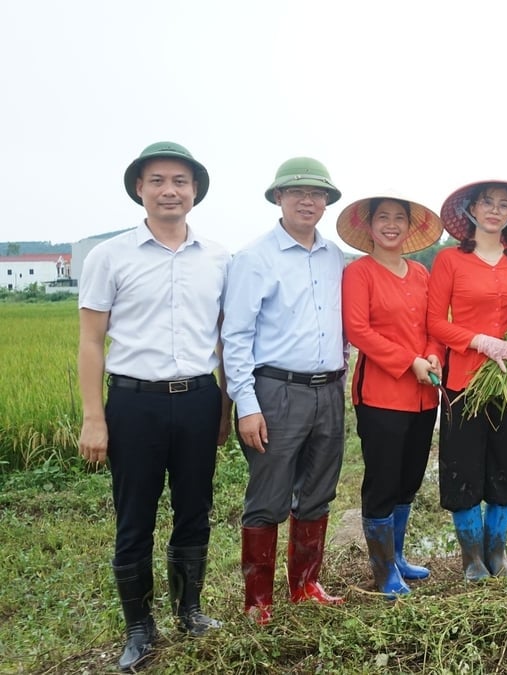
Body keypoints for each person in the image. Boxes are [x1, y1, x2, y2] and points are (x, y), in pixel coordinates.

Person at [77, 141, 228, 672]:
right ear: (139, 189)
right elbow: (91, 342)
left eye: (180, 181)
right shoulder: (109, 256)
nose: (170, 190)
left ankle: (190, 610)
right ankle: (139, 628)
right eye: (158, 180)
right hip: (133, 404)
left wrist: (225, 407)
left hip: (198, 400)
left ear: (195, 192)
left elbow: (225, 340)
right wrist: (94, 417)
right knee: (134, 518)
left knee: (195, 511)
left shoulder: (218, 258)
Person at [222, 157, 347, 624]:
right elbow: (235, 337)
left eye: (317, 194)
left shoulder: (334, 256)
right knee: (268, 497)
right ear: (278, 198)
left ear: (327, 202)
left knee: (318, 491)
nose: (308, 201)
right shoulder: (255, 258)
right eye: (297, 193)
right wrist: (246, 405)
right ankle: (258, 602)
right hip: (276, 391)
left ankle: (306, 585)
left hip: (328, 391)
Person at [427, 180, 507, 581]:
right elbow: (434, 322)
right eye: (487, 203)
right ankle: (472, 558)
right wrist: (480, 341)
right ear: (471, 210)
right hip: (465, 380)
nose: (494, 210)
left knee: (506, 466)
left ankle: (498, 554)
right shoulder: (448, 261)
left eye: (503, 204)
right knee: (463, 466)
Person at [337, 194, 445, 598]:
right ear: (369, 226)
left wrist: (433, 352)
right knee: (382, 481)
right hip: (382, 394)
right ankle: (383, 571)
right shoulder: (359, 273)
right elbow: (358, 331)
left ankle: (397, 556)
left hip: (423, 397)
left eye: (399, 218)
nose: (391, 225)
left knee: (409, 479)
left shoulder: (420, 272)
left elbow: (435, 324)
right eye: (383, 217)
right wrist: (409, 361)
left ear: (410, 227)